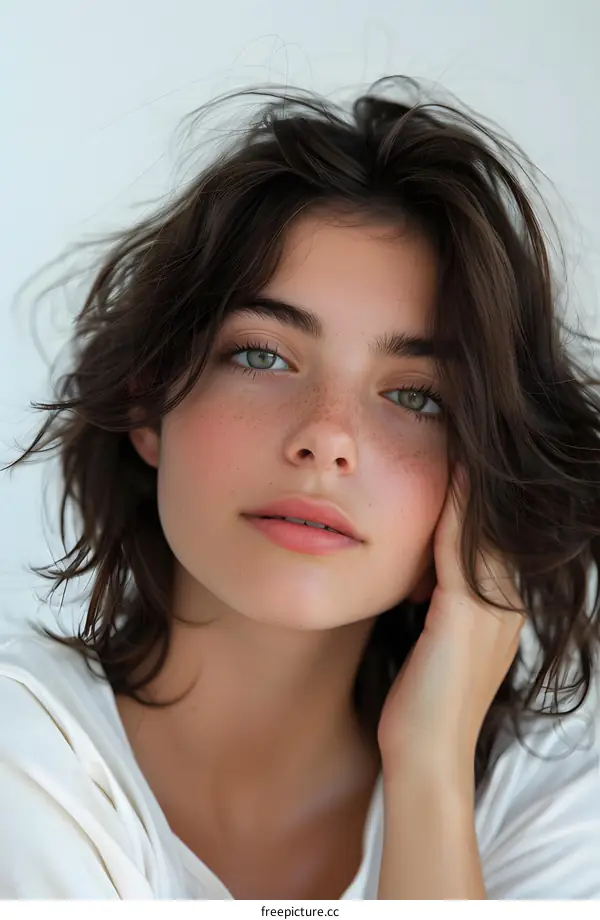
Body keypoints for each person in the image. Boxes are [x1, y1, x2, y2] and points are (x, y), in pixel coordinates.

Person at [1, 75, 600, 900]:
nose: (328, 436)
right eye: (262, 355)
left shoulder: (555, 808)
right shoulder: (23, 751)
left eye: (417, 397)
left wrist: (430, 769)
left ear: (487, 469)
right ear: (149, 400)